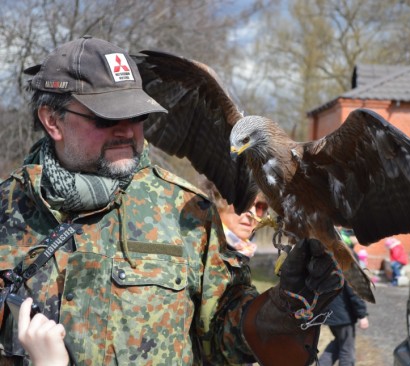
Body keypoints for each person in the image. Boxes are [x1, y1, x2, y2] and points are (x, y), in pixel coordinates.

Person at [0, 36, 343, 365]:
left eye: (137, 116)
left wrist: (284, 309)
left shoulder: (188, 212)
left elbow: (225, 340)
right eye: (105, 118)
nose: (127, 130)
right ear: (52, 121)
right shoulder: (6, 209)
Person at [200, 177, 269, 259]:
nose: (252, 214)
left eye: (260, 207)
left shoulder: (244, 253)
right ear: (216, 200)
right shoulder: (196, 245)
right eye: (243, 202)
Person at [318, 282, 369, 366]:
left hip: (330, 315)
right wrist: (362, 315)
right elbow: (355, 294)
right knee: (347, 350)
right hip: (343, 317)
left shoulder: (326, 269)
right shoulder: (346, 270)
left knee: (338, 343)